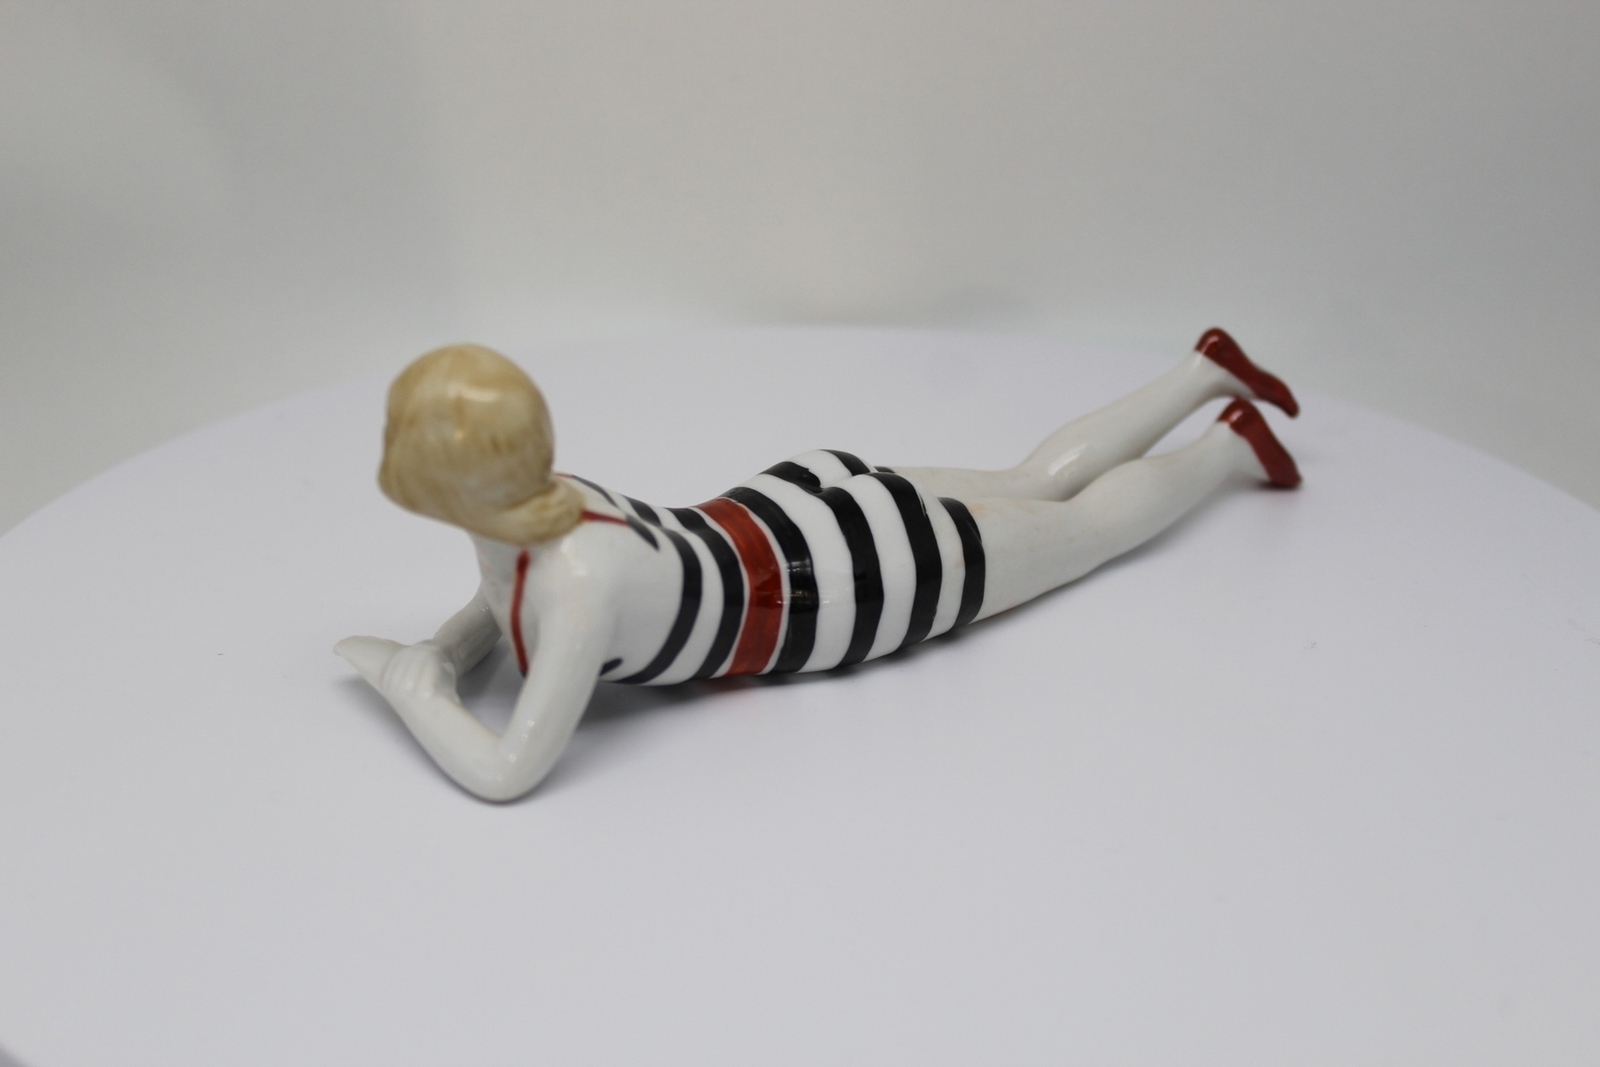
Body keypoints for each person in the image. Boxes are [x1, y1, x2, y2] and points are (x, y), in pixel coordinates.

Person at [337, 330, 1300, 801]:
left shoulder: (578, 587)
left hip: (842, 582)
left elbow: (509, 770)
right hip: (787, 506)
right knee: (1031, 479)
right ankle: (1203, 370)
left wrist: (416, 692)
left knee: (1081, 526)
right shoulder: (554, 496)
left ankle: (1225, 447)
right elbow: (498, 603)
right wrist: (444, 652)